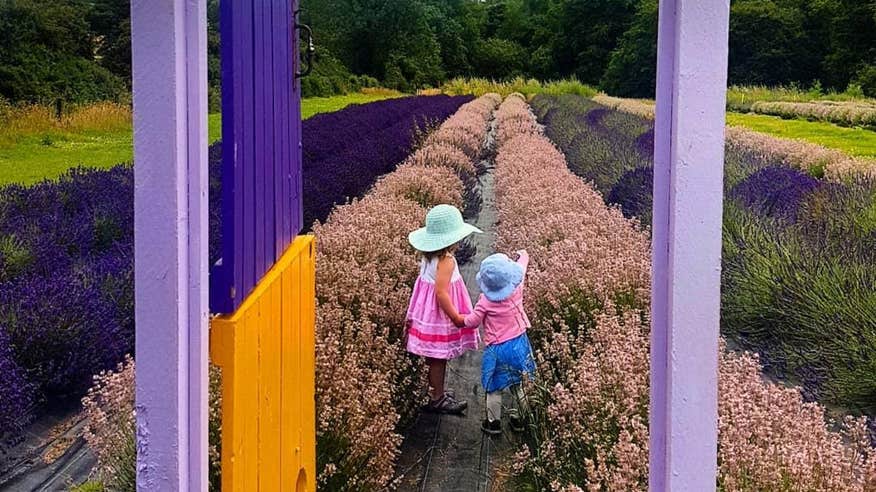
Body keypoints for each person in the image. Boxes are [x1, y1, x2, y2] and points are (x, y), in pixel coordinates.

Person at [406, 204, 482, 414]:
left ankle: (434, 392)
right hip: (440, 316)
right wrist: (456, 317)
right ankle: (437, 399)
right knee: (439, 357)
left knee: (433, 357)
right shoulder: (446, 260)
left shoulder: (429, 256)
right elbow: (441, 293)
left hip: (426, 314)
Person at [458, 250, 535, 435]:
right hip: (519, 344)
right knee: (520, 385)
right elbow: (522, 267)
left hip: (497, 349)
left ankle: (493, 423)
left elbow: (473, 322)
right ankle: (519, 420)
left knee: (494, 388)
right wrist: (523, 255)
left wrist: (459, 319)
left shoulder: (485, 301)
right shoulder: (518, 288)